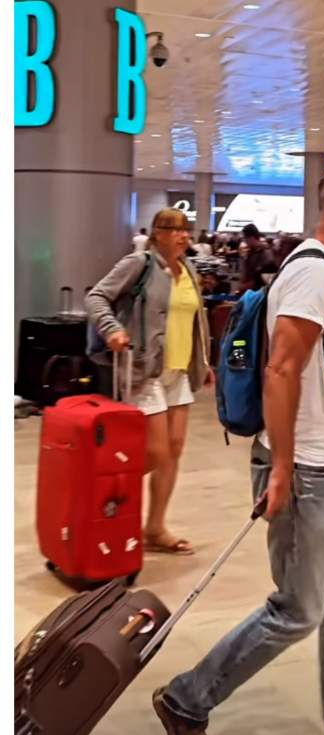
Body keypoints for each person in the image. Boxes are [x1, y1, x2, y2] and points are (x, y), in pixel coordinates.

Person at [152, 161, 324, 735]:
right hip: (308, 470)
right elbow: (281, 369)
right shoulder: (313, 274)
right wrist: (283, 467)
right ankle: (187, 699)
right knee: (297, 609)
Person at [86, 208, 213, 555]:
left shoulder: (188, 270)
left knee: (173, 451)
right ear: (157, 234)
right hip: (144, 369)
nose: (184, 236)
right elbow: (96, 296)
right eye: (175, 230)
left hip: (179, 372)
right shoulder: (138, 264)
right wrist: (112, 329)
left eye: (186, 230)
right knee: (155, 452)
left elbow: (194, 319)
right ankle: (100, 498)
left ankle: (155, 528)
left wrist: (203, 362)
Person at [239, 224, 277, 292]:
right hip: (251, 292)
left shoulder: (265, 253)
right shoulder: (251, 252)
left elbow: (263, 279)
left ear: (252, 238)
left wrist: (244, 286)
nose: (245, 241)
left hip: (260, 294)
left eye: (245, 239)